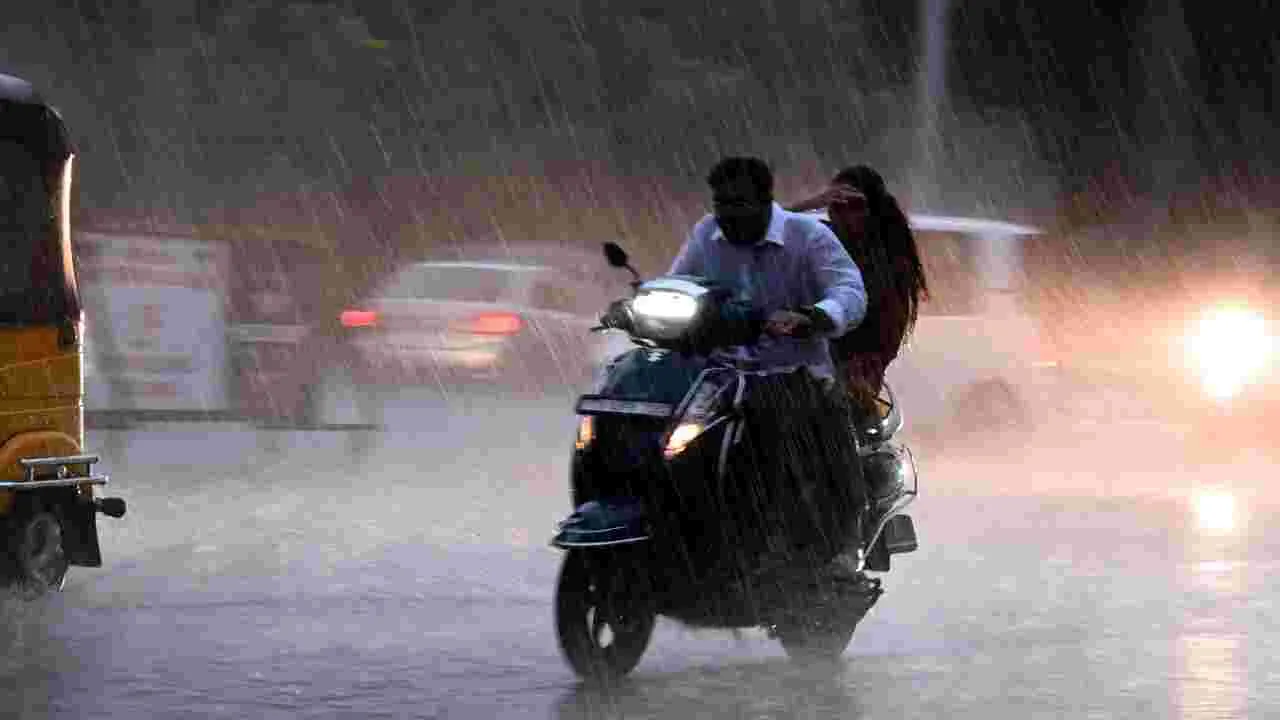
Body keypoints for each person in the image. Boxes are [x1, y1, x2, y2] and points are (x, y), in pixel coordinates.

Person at [669, 156, 870, 579]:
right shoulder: (707, 234)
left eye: (739, 203)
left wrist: (813, 316)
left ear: (766, 201)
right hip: (718, 377)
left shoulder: (808, 237)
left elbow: (849, 290)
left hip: (794, 375)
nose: (728, 213)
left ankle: (838, 543)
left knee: (796, 433)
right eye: (721, 203)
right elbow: (677, 283)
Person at [786, 165, 929, 419]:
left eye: (854, 205)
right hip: (799, 367)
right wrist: (812, 202)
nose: (844, 214)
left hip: (849, 380)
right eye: (836, 206)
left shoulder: (889, 259)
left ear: (873, 210)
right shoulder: (822, 239)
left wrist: (850, 370)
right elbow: (759, 230)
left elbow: (885, 332)